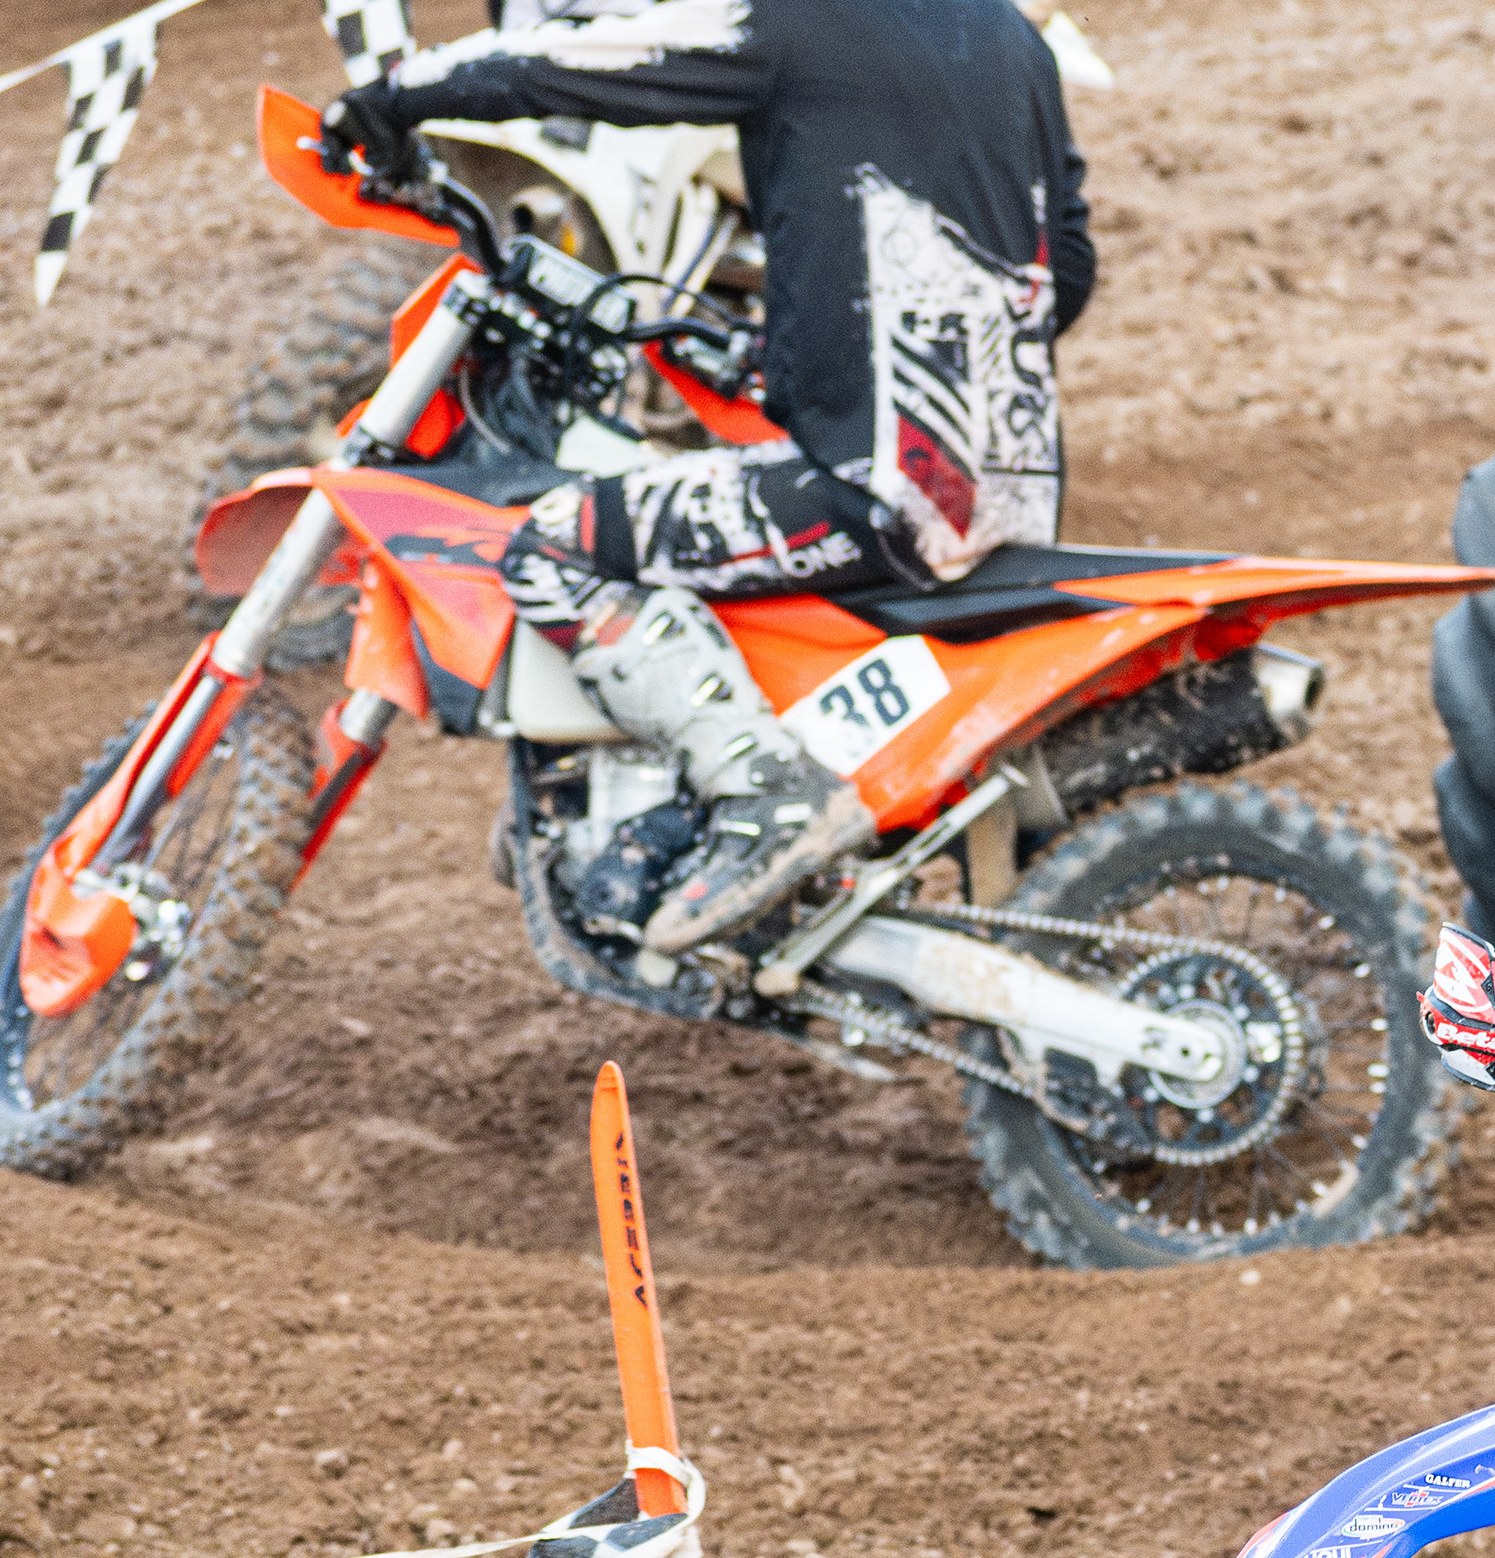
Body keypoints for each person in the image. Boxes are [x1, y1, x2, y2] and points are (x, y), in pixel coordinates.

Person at [319, 0, 1095, 953]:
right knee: (705, 506)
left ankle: (769, 796)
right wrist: (817, 356)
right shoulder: (1011, 34)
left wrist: (396, 97)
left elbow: (580, 59)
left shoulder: (800, 21)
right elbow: (1071, 266)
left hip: (885, 490)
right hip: (1013, 487)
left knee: (555, 548)